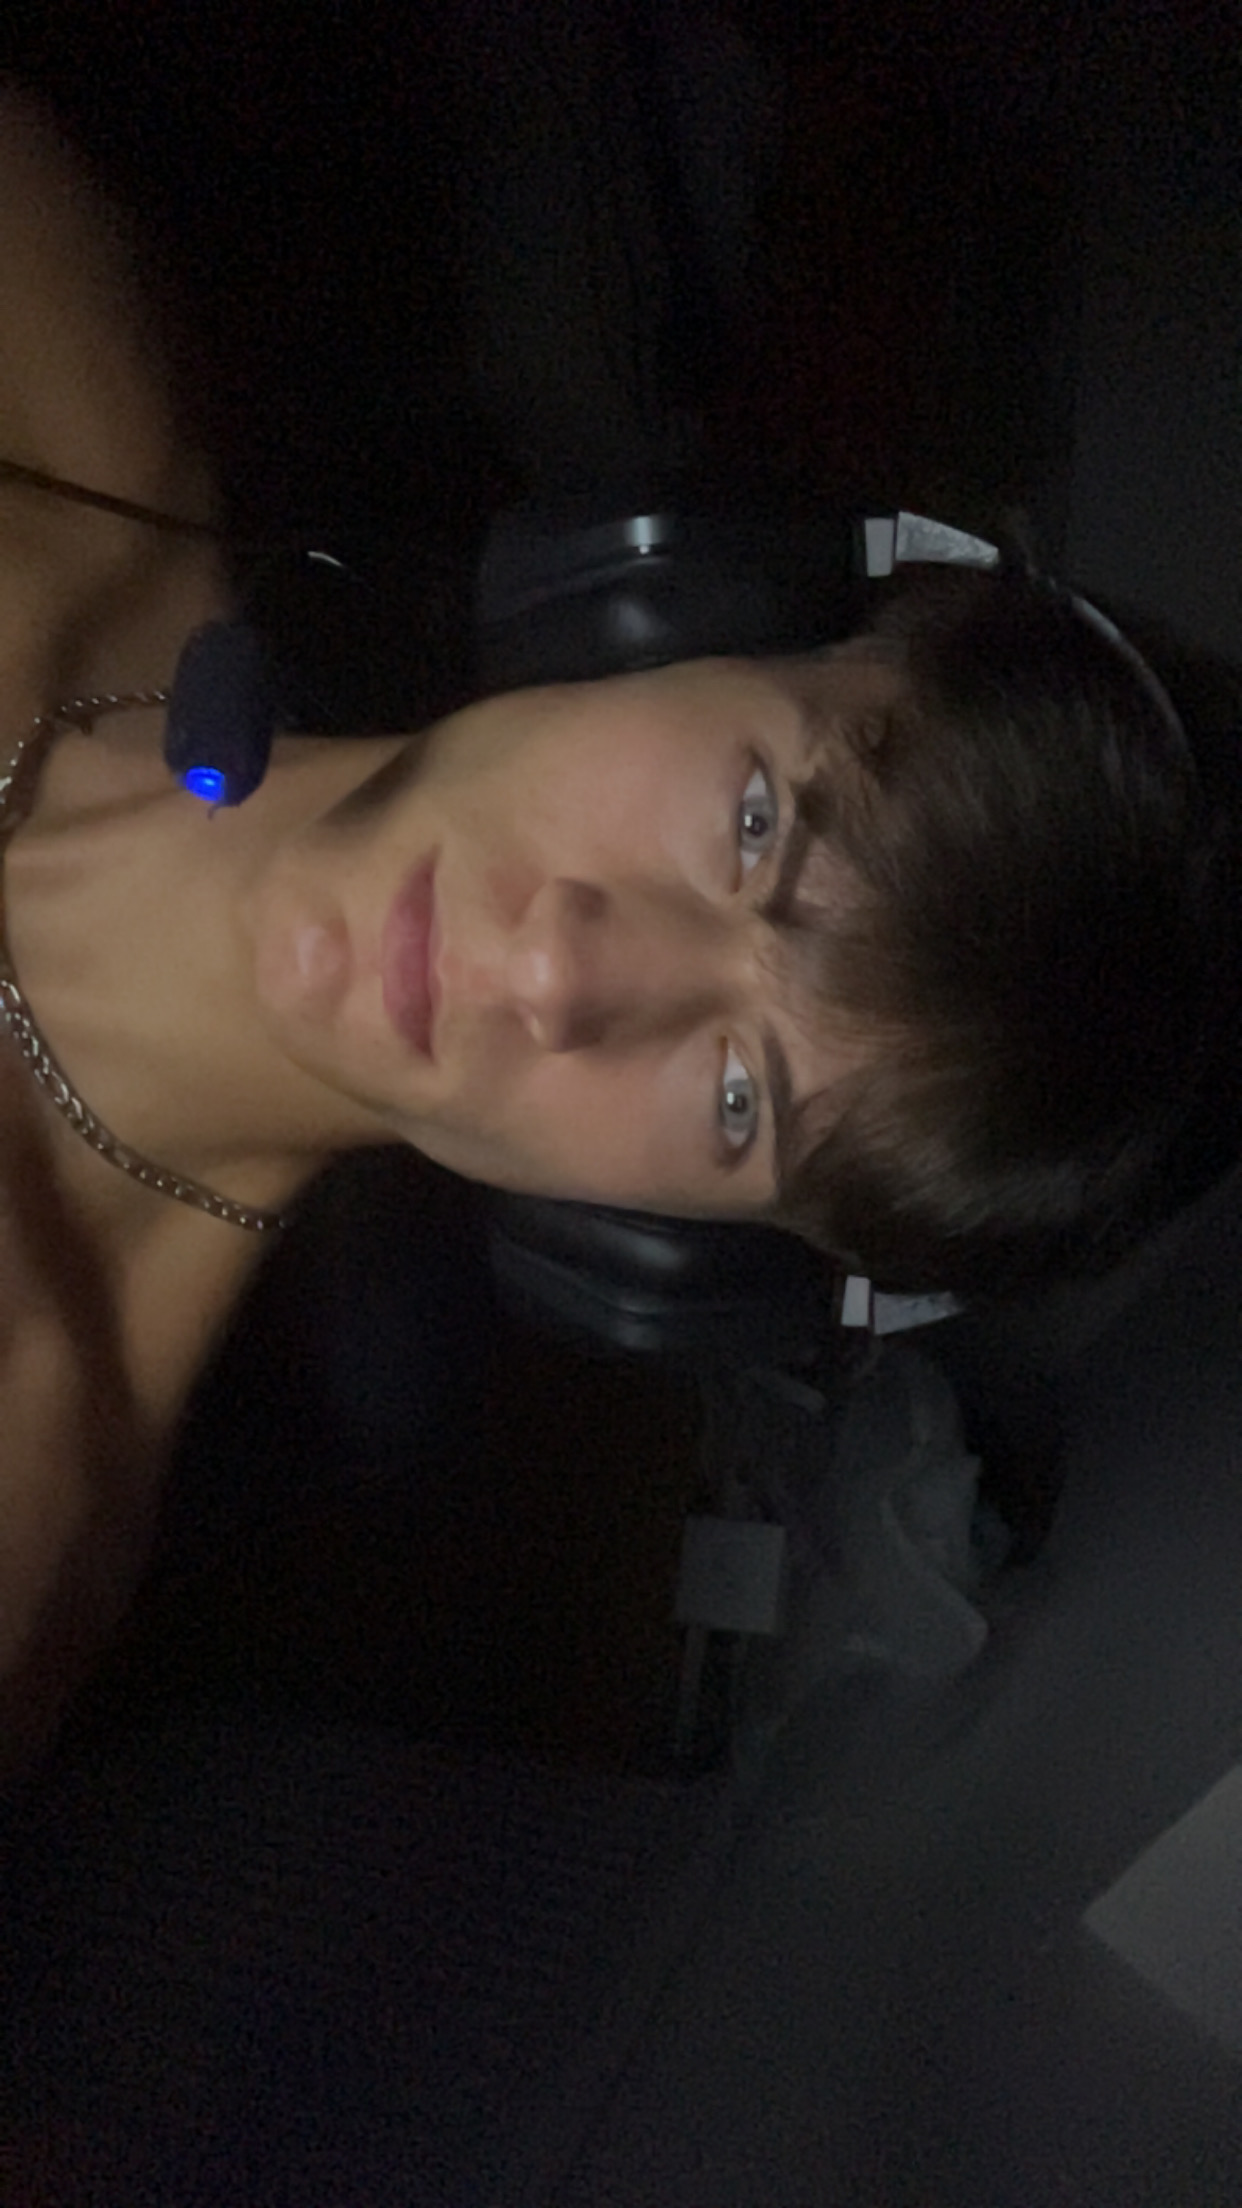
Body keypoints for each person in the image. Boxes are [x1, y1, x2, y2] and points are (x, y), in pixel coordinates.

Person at [0, 86, 1236, 1763]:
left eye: (737, 1100)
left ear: (669, 1261)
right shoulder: (55, 377)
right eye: (754, 822)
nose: (556, 971)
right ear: (677, 603)